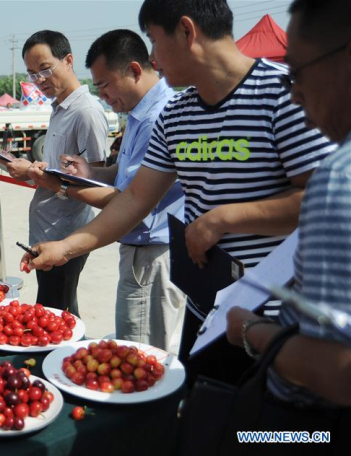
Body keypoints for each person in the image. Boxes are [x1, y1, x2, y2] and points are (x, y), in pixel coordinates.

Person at [22, 0, 334, 381]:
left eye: (153, 41)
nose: (152, 57)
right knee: (203, 418)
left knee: (270, 434)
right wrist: (66, 247)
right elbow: (136, 198)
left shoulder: (283, 93)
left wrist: (224, 218)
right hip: (209, 308)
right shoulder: (177, 114)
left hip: (278, 317)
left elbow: (324, 199)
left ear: (187, 31)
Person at [226, 0, 351, 408]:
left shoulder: (338, 179)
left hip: (309, 435)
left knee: (245, 440)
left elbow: (337, 372)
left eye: (296, 73)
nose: (294, 96)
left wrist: (251, 330)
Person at [28, 29, 185, 352]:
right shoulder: (139, 115)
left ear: (135, 71)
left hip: (152, 252)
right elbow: (126, 175)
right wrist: (91, 172)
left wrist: (61, 194)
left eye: (104, 85)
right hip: (138, 250)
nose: (102, 96)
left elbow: (132, 199)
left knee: (143, 358)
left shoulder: (158, 117)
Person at [7, 30, 109, 317]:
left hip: (66, 234)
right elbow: (64, 169)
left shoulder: (85, 112)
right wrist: (35, 169)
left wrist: (40, 176)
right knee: (56, 310)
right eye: (31, 74)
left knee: (57, 314)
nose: (39, 80)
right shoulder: (60, 109)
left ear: (68, 60)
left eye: (45, 69)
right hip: (47, 228)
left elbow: (97, 182)